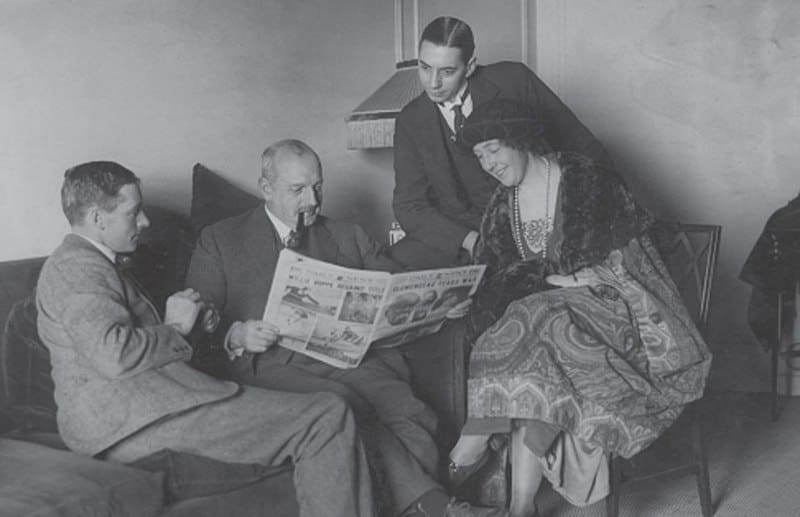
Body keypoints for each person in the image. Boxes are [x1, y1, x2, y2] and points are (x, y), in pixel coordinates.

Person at [36, 161, 374, 517]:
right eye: (133, 213)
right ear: (97, 217)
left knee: (328, 408)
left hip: (148, 410)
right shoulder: (77, 266)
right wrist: (177, 328)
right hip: (132, 424)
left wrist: (197, 325)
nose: (145, 222)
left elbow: (130, 346)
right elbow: (112, 355)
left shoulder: (98, 262)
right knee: (327, 415)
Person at [185, 139, 499, 517]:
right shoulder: (220, 239)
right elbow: (197, 321)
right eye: (297, 190)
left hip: (350, 358)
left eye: (317, 187)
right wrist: (236, 334)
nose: (312, 201)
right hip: (270, 366)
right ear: (266, 188)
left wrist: (442, 305)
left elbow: (398, 287)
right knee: (346, 409)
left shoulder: (347, 235)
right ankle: (437, 506)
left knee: (411, 413)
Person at [444, 100, 712, 516]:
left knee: (536, 320)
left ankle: (478, 437)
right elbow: (497, 277)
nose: (489, 164)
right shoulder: (501, 205)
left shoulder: (586, 179)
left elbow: (635, 253)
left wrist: (578, 279)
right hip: (544, 325)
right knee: (534, 330)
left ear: (519, 140)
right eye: (480, 157)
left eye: (494, 149)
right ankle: (521, 505)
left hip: (615, 312)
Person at [391, 16, 614, 270]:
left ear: (471, 65)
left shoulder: (514, 81)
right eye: (425, 67)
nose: (433, 83)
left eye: (447, 71)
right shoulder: (411, 120)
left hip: (537, 219)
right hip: (465, 235)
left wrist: (596, 213)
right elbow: (409, 205)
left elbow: (582, 145)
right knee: (393, 264)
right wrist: (470, 241)